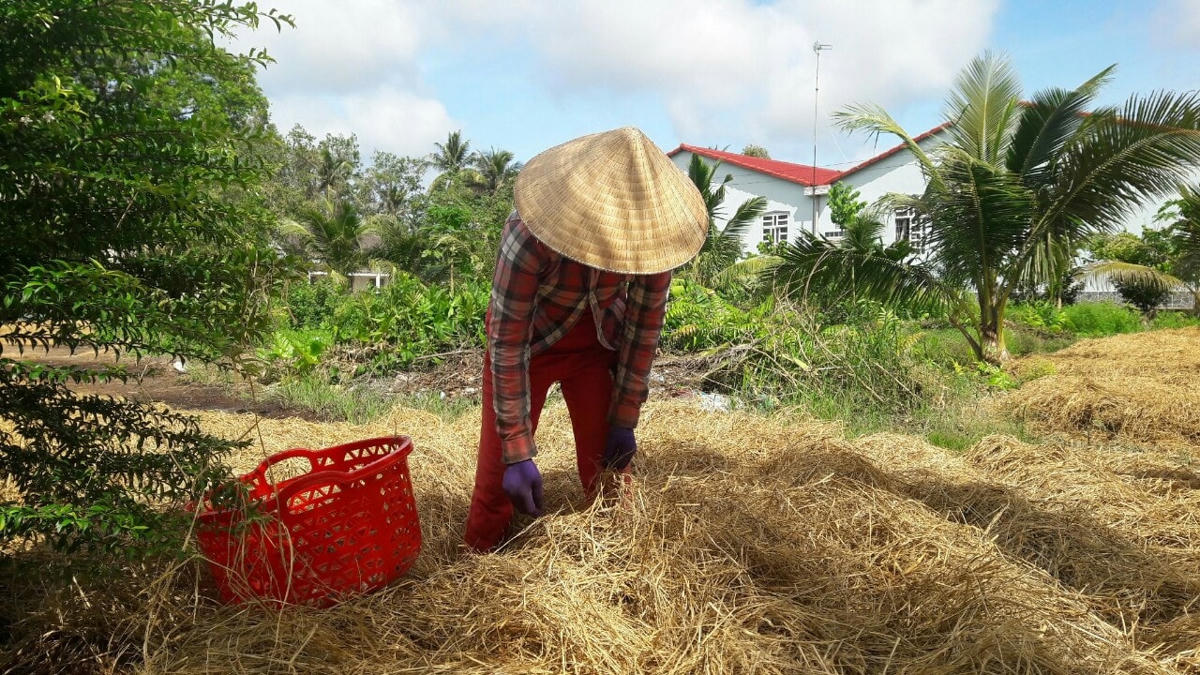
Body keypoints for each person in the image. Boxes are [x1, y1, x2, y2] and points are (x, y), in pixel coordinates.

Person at [464, 127, 708, 552]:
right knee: (495, 479)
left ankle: (619, 559)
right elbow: (506, 345)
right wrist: (518, 451)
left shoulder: (653, 243)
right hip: (529, 345)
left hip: (597, 346)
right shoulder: (527, 236)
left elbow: (642, 331)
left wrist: (625, 418)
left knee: (611, 475)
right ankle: (480, 555)